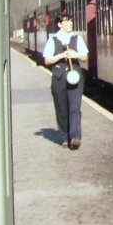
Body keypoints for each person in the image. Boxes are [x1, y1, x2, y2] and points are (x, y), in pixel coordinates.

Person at [43, 12, 89, 149]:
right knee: (62, 108)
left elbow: (85, 57)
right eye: (67, 21)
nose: (70, 23)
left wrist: (77, 55)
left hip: (75, 77)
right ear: (59, 24)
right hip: (59, 77)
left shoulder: (77, 39)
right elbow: (47, 60)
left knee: (75, 107)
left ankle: (75, 136)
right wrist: (62, 55)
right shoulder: (53, 40)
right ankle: (65, 137)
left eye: (71, 21)